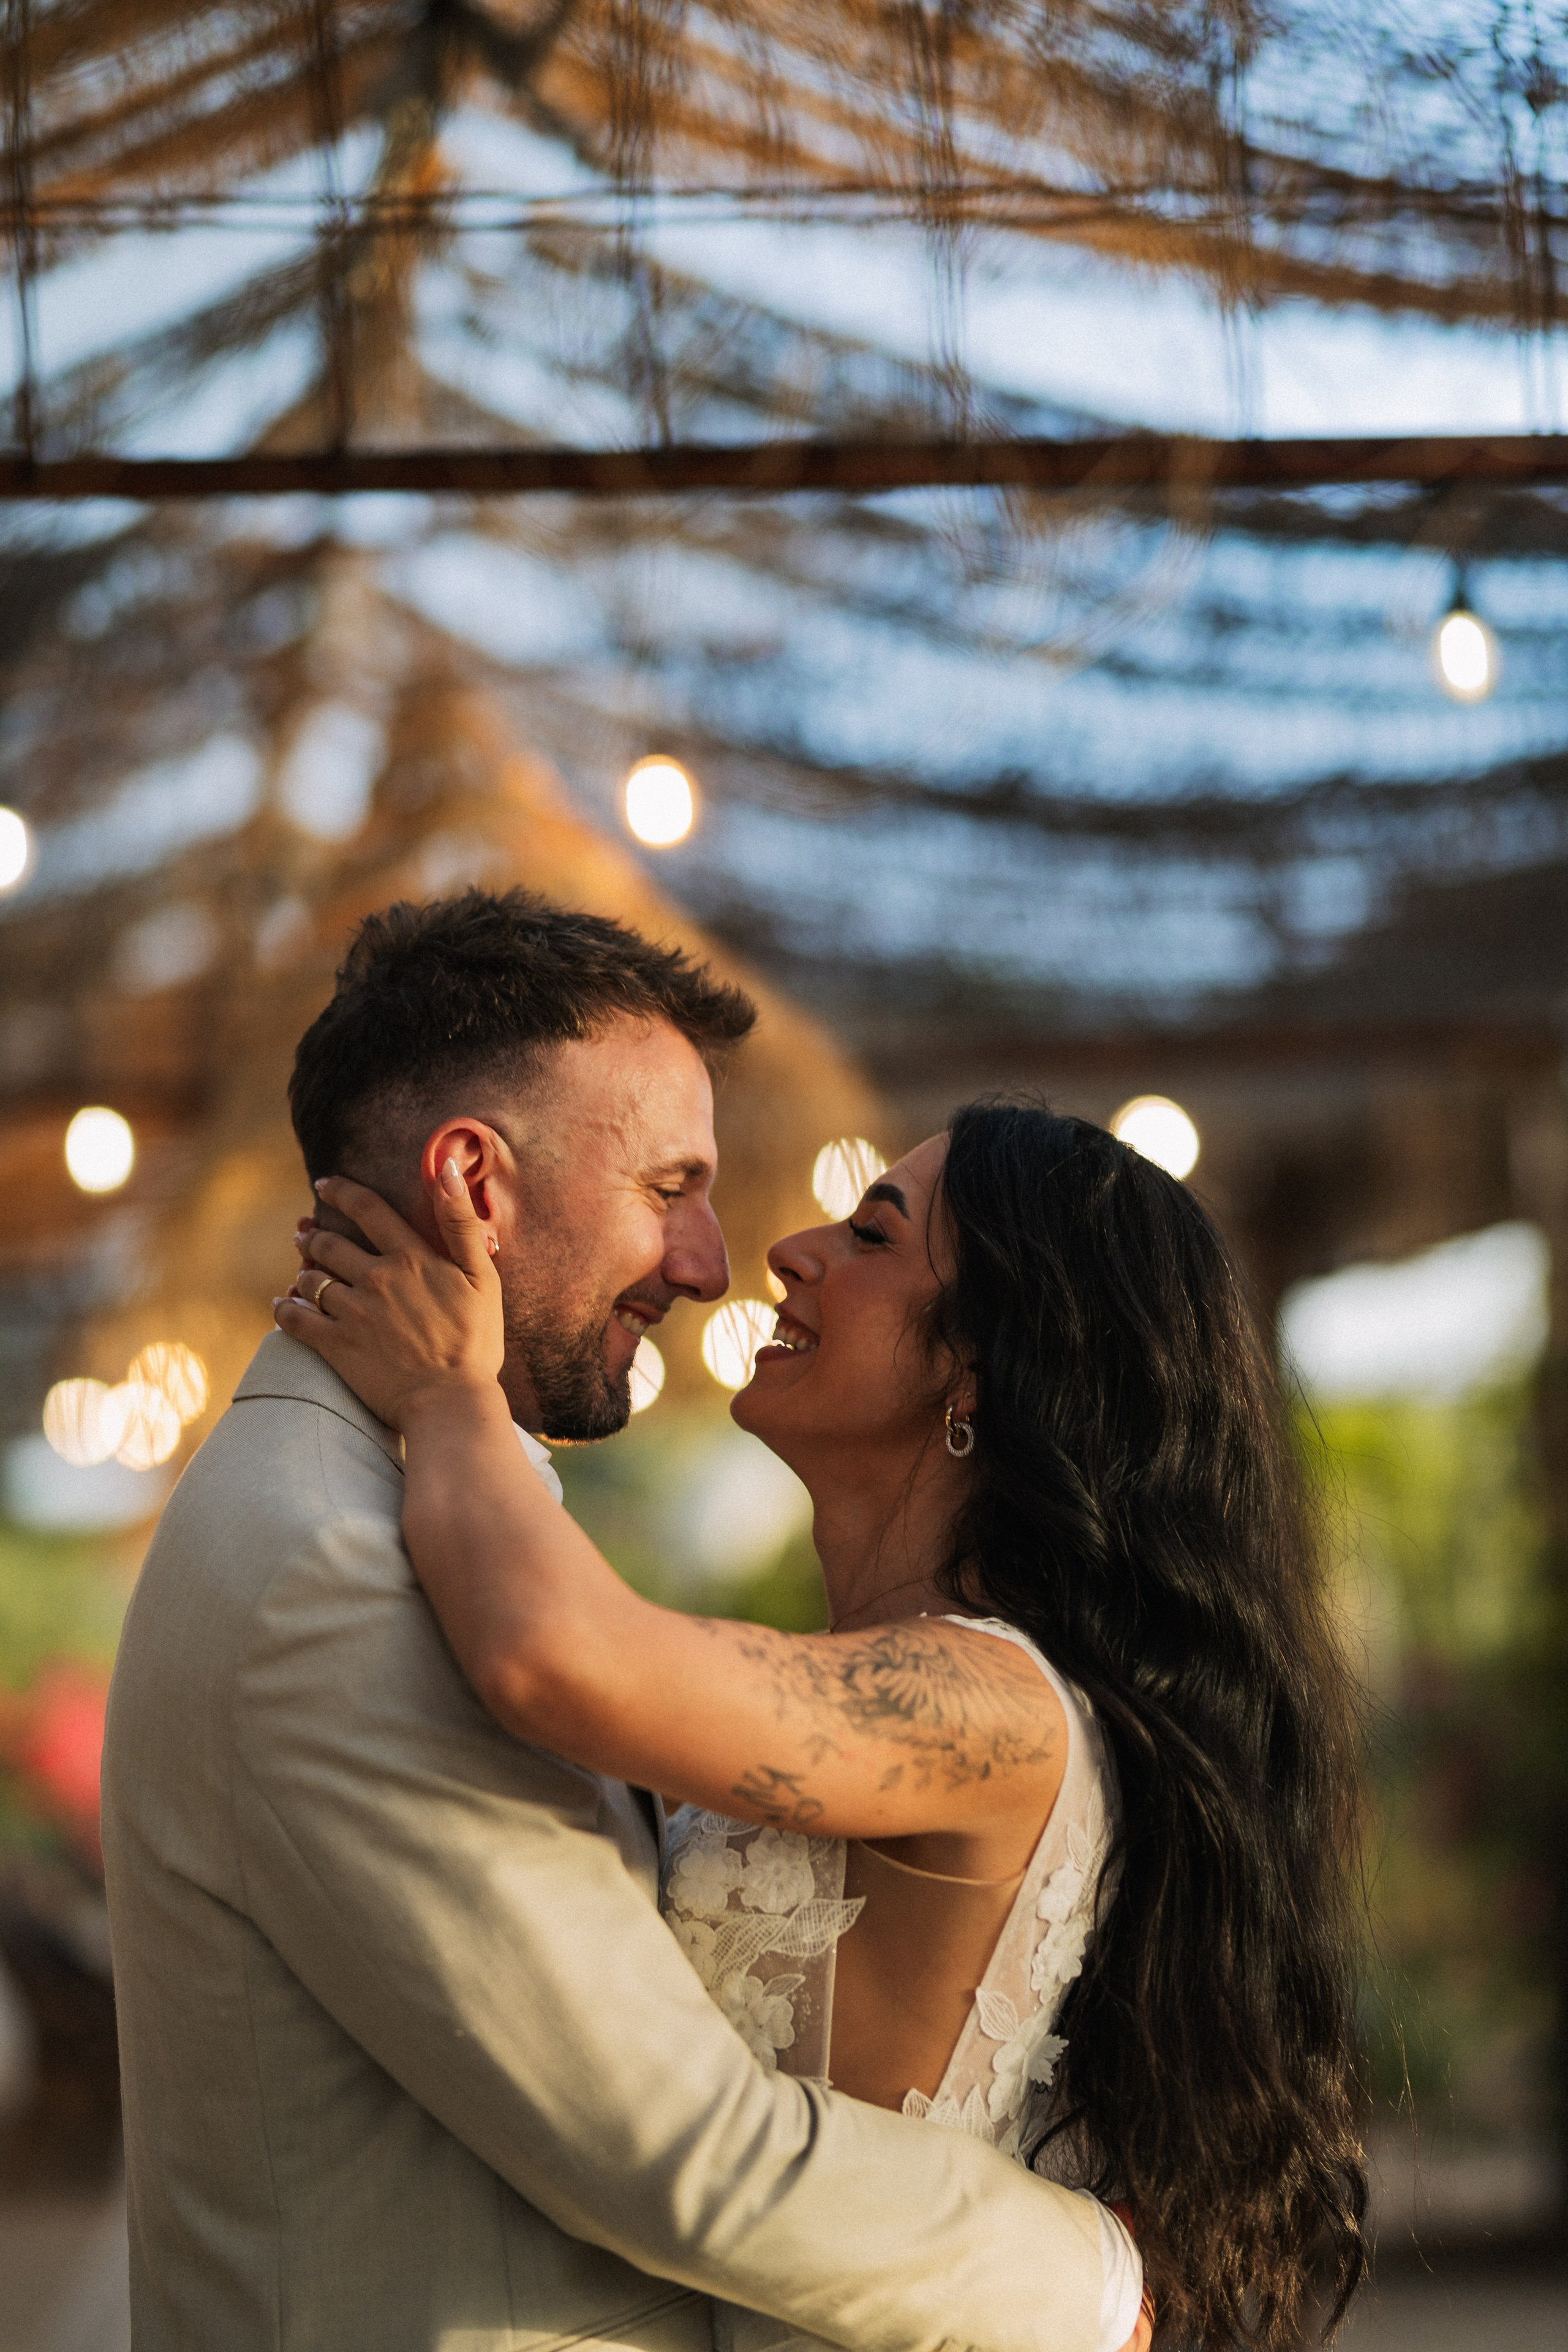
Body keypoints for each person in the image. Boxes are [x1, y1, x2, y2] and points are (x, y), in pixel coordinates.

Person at [101, 891, 1145, 2352]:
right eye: (668, 1187)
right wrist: (1095, 2281)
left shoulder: (415, 1511)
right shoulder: (332, 1565)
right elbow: (661, 2138)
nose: (718, 1263)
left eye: (868, 1233)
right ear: (476, 1184)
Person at [277, 1088, 1370, 2352]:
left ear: (978, 1362)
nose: (790, 1252)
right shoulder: (884, 1680)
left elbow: (546, 1657)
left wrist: (448, 1397)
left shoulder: (992, 1708)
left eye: (871, 1236)